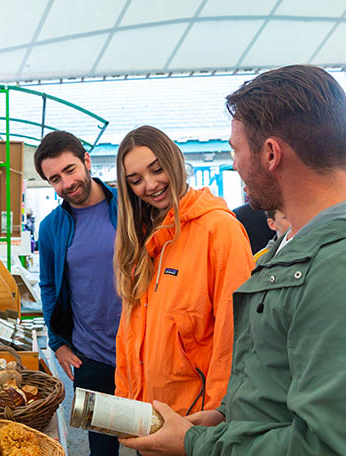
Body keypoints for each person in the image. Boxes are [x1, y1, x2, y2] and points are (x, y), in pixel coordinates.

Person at [120, 65, 346, 456]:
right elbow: (280, 380)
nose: (234, 164)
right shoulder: (295, 246)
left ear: (269, 153)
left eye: (236, 150)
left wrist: (198, 443)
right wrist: (226, 415)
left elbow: (344, 446)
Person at [113, 125, 254, 418]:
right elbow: (129, 335)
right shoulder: (140, 239)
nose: (150, 185)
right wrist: (125, 406)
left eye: (157, 169)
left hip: (195, 423)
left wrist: (217, 417)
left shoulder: (219, 230)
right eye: (136, 180)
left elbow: (236, 335)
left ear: (175, 161)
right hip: (146, 419)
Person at [35, 130, 122, 455]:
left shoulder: (130, 207)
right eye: (55, 178)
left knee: (152, 442)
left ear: (86, 161)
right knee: (101, 449)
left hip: (142, 355)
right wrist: (57, 341)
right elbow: (48, 286)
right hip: (91, 359)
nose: (66, 184)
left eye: (70, 170)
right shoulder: (51, 227)